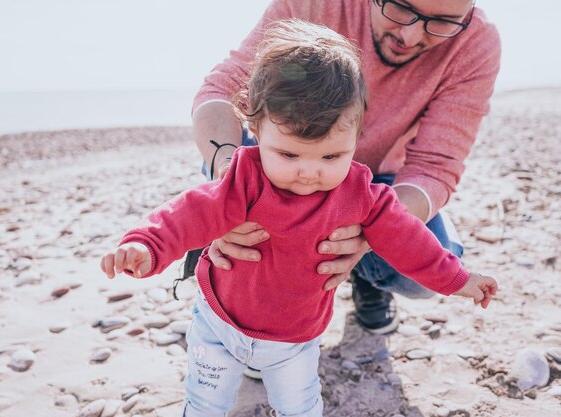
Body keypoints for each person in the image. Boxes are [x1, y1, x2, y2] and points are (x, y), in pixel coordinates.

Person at [101, 20, 498, 417]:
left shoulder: (363, 196)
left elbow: (413, 244)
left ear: (357, 136)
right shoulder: (243, 179)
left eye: (331, 156)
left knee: (302, 407)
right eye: (289, 155)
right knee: (205, 405)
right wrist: (145, 246)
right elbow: (185, 215)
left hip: (294, 342)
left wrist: (459, 279)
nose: (309, 172)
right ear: (254, 130)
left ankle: (368, 293)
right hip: (219, 325)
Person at [188, 0, 501, 336]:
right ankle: (249, 297)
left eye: (441, 22)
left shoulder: (475, 41)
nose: (410, 36)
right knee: (246, 179)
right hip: (280, 160)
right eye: (401, 8)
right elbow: (225, 87)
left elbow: (435, 167)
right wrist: (227, 182)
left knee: (430, 264)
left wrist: (372, 234)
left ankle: (368, 280)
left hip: (379, 183)